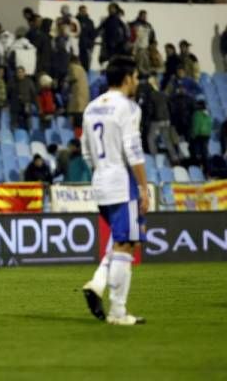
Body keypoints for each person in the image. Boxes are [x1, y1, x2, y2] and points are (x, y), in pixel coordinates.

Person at [81, 56, 148, 326]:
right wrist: (143, 187)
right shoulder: (128, 107)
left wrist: (102, 169)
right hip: (123, 182)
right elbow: (133, 150)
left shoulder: (92, 107)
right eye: (136, 77)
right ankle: (118, 312)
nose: (138, 82)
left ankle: (99, 285)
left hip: (100, 181)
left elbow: (86, 151)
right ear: (128, 78)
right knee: (126, 245)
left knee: (121, 241)